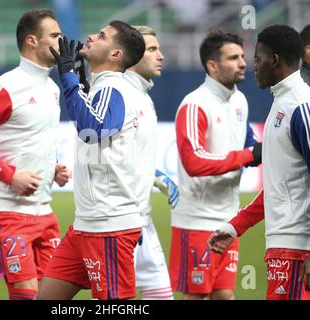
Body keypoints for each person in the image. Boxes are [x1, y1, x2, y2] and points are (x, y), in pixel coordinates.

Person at [0, 9, 71, 300]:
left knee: (52, 294)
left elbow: (34, 138)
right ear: (32, 41)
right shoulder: (2, 87)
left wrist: (52, 168)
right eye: (55, 36)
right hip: (8, 210)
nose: (62, 41)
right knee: (27, 294)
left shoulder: (51, 88)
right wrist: (11, 176)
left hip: (44, 210)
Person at [37, 20, 146, 300]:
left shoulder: (113, 88)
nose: (90, 36)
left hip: (108, 225)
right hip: (86, 224)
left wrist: (69, 78)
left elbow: (91, 131)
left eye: (101, 36)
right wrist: (82, 84)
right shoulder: (104, 89)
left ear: (115, 55)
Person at [207, 24, 310, 300]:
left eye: (257, 59)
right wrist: (235, 227)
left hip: (298, 250)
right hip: (284, 248)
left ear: (274, 60)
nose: (252, 66)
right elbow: (281, 185)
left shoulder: (300, 105)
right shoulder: (281, 103)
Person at [170, 30, 262, 300]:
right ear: (212, 65)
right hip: (197, 221)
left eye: (242, 56)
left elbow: (245, 142)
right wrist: (249, 155)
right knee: (196, 296)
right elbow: (193, 161)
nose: (243, 63)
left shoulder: (239, 100)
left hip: (228, 219)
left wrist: (259, 149)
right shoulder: (194, 104)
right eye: (233, 57)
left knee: (224, 294)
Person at [123, 25, 177, 300]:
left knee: (162, 296)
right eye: (153, 50)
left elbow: (132, 155)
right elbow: (107, 157)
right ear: (133, 54)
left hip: (144, 220)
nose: (161, 56)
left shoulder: (144, 98)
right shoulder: (120, 95)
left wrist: (156, 175)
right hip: (121, 224)